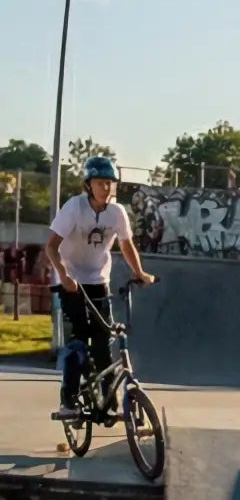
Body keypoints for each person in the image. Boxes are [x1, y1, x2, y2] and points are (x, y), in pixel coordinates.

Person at [44, 155, 155, 412]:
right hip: (71, 280)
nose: (106, 188)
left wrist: (139, 272)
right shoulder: (74, 207)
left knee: (104, 340)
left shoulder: (117, 212)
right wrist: (63, 275)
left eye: (109, 183)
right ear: (88, 185)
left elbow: (126, 244)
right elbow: (50, 246)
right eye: (100, 183)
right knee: (80, 338)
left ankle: (107, 399)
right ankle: (68, 399)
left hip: (97, 280)